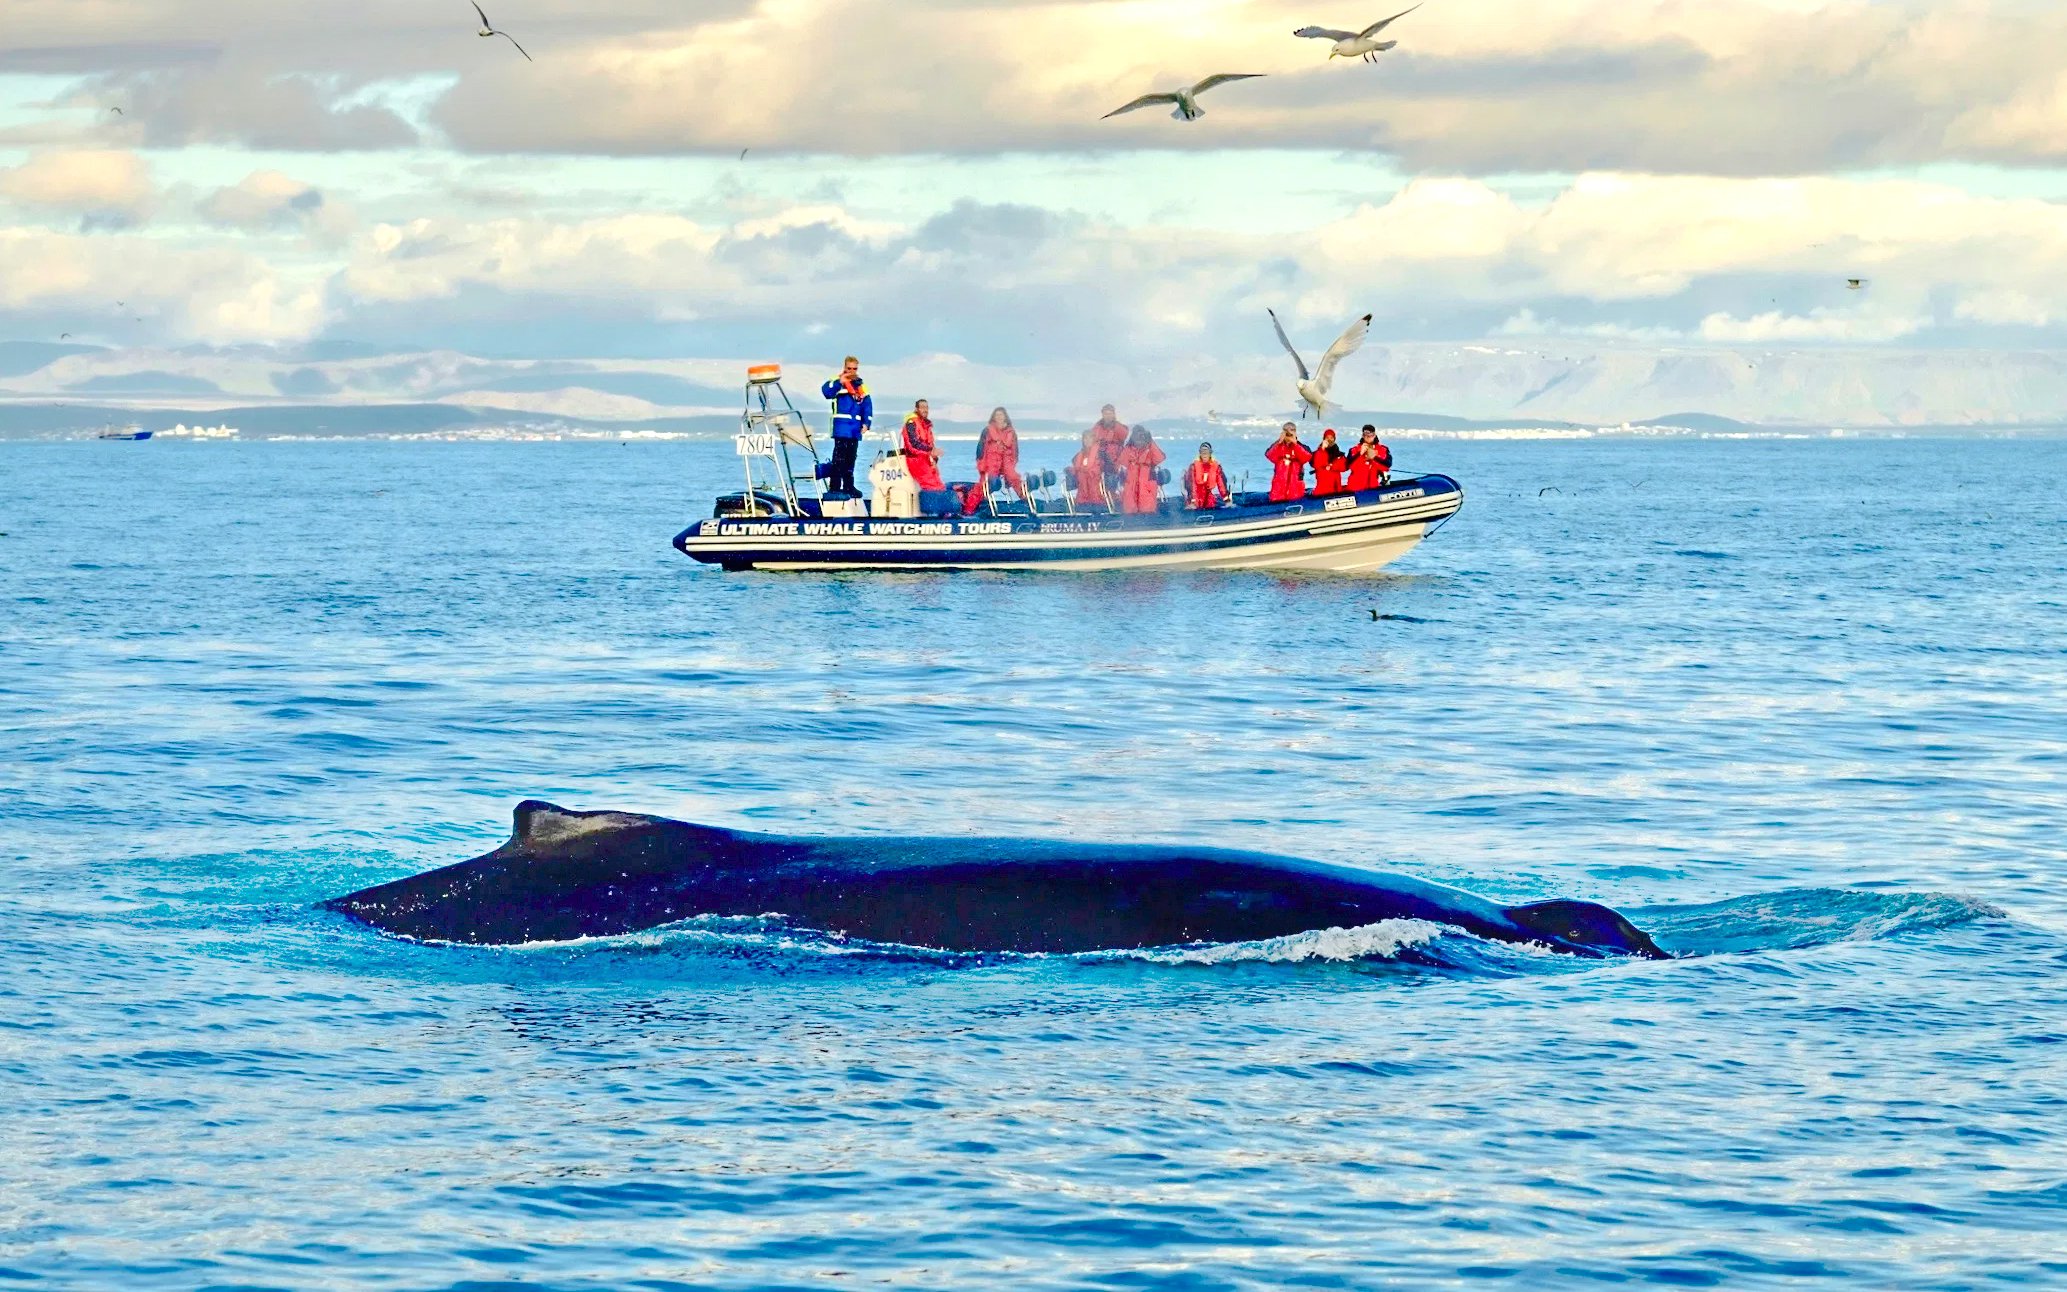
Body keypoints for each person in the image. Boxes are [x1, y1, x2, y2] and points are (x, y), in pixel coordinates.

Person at [963, 406, 1034, 514]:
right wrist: (981, 465)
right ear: (993, 418)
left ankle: (1028, 503)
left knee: (1014, 478)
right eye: (997, 415)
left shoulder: (1011, 432)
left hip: (1007, 461)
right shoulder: (987, 431)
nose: (999, 417)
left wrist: (1013, 463)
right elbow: (980, 449)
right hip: (991, 462)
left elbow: (1015, 449)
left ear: (1005, 417)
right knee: (983, 485)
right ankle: (968, 509)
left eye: (1001, 415)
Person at [820, 355, 872, 496]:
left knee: (851, 459)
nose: (851, 371)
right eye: (849, 368)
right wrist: (839, 382)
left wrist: (866, 423)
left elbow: (867, 405)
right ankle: (835, 487)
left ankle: (849, 486)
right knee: (839, 459)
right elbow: (826, 392)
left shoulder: (861, 386)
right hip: (842, 428)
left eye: (854, 369)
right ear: (844, 368)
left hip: (855, 429)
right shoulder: (836, 383)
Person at [1116, 424, 1166, 515]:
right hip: (1131, 485)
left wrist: (1150, 442)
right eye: (1136, 435)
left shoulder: (1150, 448)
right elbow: (1120, 464)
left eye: (1141, 435)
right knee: (1130, 510)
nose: (1138, 438)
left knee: (1147, 509)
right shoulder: (1127, 450)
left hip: (1147, 486)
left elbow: (1160, 458)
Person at [900, 399, 943, 492]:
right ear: (916, 409)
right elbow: (914, 444)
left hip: (926, 460)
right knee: (932, 486)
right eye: (922, 407)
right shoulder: (911, 424)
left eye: (927, 407)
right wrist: (931, 450)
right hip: (916, 460)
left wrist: (934, 458)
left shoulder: (926, 425)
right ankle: (929, 504)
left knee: (939, 484)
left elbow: (930, 444)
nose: (925, 410)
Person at [1088, 404, 1129, 493]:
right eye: (1105, 414)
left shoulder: (1119, 427)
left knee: (1114, 482)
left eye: (1110, 413)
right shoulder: (1097, 427)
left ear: (1114, 414)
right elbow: (1091, 440)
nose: (1108, 416)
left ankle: (1114, 497)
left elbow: (1124, 435)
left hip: (1115, 460)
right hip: (1100, 459)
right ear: (1102, 414)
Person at [1265, 422, 1310, 502]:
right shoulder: (1277, 446)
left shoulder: (1302, 447)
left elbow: (1306, 457)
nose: (1288, 435)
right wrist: (1279, 442)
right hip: (1278, 490)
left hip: (1295, 490)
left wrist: (1295, 444)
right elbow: (1269, 456)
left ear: (1295, 432)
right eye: (1286, 432)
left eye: (1291, 431)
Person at [1070, 428, 1113, 510]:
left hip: (1098, 498)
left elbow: (1111, 469)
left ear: (1094, 439)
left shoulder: (1102, 454)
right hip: (1082, 497)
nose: (1087, 440)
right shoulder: (1077, 457)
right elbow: (1075, 471)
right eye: (1085, 438)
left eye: (1090, 438)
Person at [1184, 441, 1231, 509]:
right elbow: (1191, 485)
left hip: (1208, 497)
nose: (1204, 454)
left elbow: (1221, 484)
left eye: (1206, 452)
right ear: (1200, 453)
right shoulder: (1193, 467)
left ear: (1210, 453)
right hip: (1195, 497)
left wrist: (1227, 500)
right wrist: (1192, 502)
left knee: (1211, 503)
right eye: (1202, 452)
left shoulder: (1216, 467)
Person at [1347, 424, 1393, 491]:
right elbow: (1348, 465)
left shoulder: (1383, 449)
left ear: (1374, 435)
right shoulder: (1354, 449)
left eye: (1370, 435)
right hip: (1355, 488)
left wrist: (1374, 458)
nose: (1368, 437)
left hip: (1373, 487)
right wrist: (1359, 453)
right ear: (1362, 436)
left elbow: (1387, 465)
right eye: (1365, 435)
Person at [1309, 428, 1349, 496]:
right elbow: (1316, 464)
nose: (1329, 440)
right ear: (1324, 439)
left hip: (1336, 490)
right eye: (1327, 437)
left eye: (1331, 437)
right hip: (1322, 491)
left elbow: (1344, 467)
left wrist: (1331, 466)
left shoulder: (1339, 454)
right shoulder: (1317, 453)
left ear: (1334, 439)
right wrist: (1322, 450)